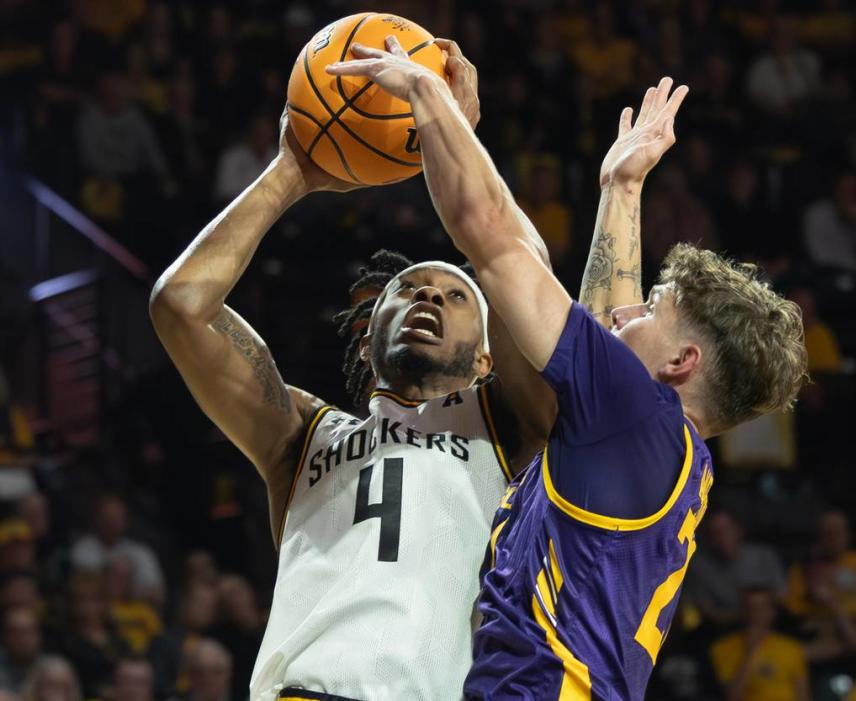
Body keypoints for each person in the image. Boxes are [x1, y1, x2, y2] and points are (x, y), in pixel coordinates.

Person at [152, 38, 669, 700]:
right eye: (407, 290)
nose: (426, 296)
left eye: (455, 295)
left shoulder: (513, 426)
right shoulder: (303, 436)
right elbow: (180, 305)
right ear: (367, 336)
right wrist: (292, 170)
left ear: (488, 355)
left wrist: (450, 131)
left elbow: (513, 261)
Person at [328, 37, 806, 699]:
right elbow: (595, 313)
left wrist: (429, 101)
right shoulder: (653, 439)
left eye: (652, 309)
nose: (626, 312)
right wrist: (622, 187)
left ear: (680, 362)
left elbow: (487, 230)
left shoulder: (633, 413)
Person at [686, 507, 786, 627]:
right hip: (722, 630)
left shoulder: (764, 555)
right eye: (716, 532)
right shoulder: (699, 568)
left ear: (739, 529)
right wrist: (748, 616)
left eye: (727, 528)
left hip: (771, 626)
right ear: (709, 538)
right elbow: (708, 613)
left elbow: (782, 597)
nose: (723, 536)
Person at [709, 588, 811, 701]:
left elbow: (803, 695)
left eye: (762, 606)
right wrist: (751, 651)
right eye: (750, 607)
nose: (756, 612)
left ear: (772, 612)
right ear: (742, 611)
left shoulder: (791, 647)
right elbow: (733, 697)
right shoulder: (723, 648)